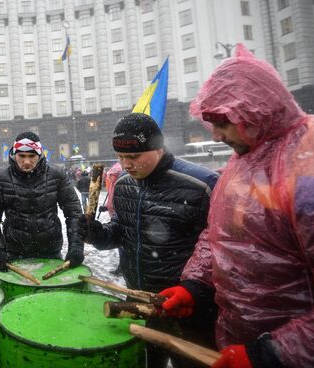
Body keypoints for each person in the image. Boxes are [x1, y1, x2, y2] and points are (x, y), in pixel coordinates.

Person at [157, 45, 314, 368]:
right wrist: (195, 285)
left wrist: (273, 355)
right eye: (211, 123)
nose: (217, 135)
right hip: (238, 343)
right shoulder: (244, 160)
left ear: (254, 110)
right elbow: (220, 235)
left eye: (222, 121)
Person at [79, 113, 219, 368]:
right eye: (120, 157)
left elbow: (219, 246)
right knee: (144, 362)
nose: (126, 164)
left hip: (185, 305)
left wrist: (195, 290)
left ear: (158, 148)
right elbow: (121, 231)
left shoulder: (202, 185)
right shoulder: (122, 185)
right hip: (139, 298)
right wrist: (97, 234)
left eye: (133, 157)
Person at [0, 131, 84, 271]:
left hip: (50, 251)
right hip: (15, 252)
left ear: (39, 154)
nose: (27, 161)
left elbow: (74, 213)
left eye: (31, 156)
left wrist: (76, 247)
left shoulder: (56, 175)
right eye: (22, 156)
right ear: (14, 154)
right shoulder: (1, 177)